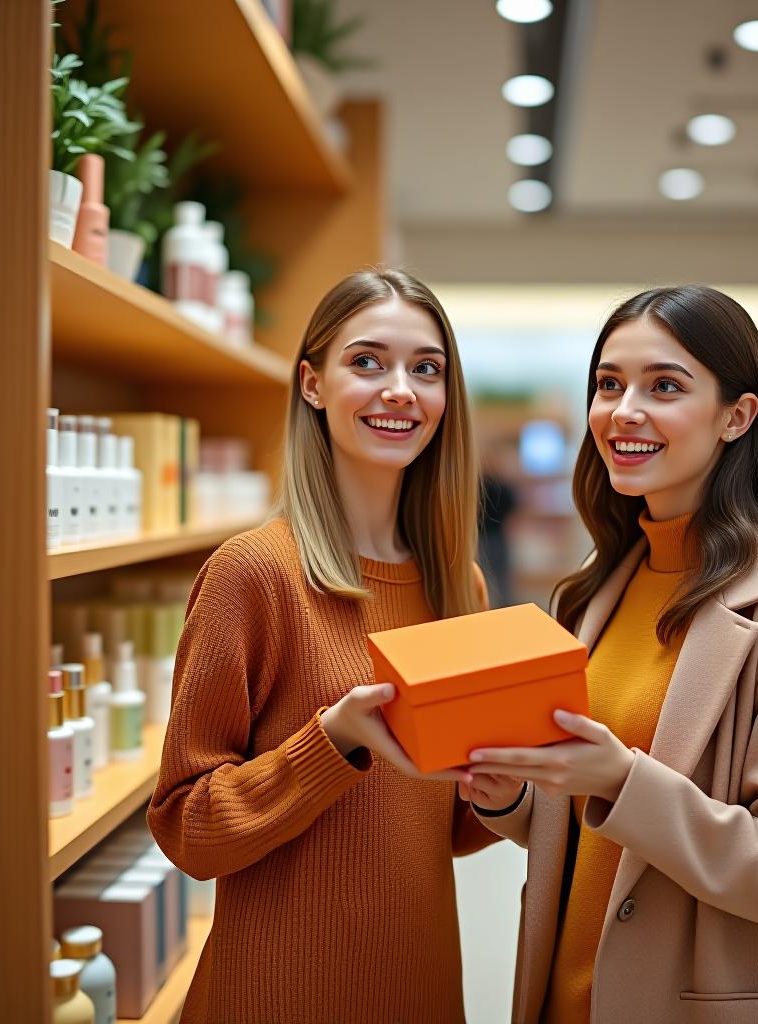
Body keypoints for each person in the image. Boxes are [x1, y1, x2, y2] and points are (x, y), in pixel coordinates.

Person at [464, 285, 758, 1024]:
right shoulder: (593, 594)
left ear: (737, 417)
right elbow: (590, 823)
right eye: (608, 384)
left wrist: (623, 780)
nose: (623, 411)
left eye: (665, 386)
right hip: (565, 997)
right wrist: (513, 798)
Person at [149, 269, 495, 1023]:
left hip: (420, 985)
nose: (400, 389)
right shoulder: (255, 573)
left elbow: (447, 829)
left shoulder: (457, 587)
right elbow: (185, 826)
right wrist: (331, 744)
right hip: (278, 992)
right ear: (312, 384)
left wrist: (513, 782)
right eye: (367, 362)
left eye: (426, 369)